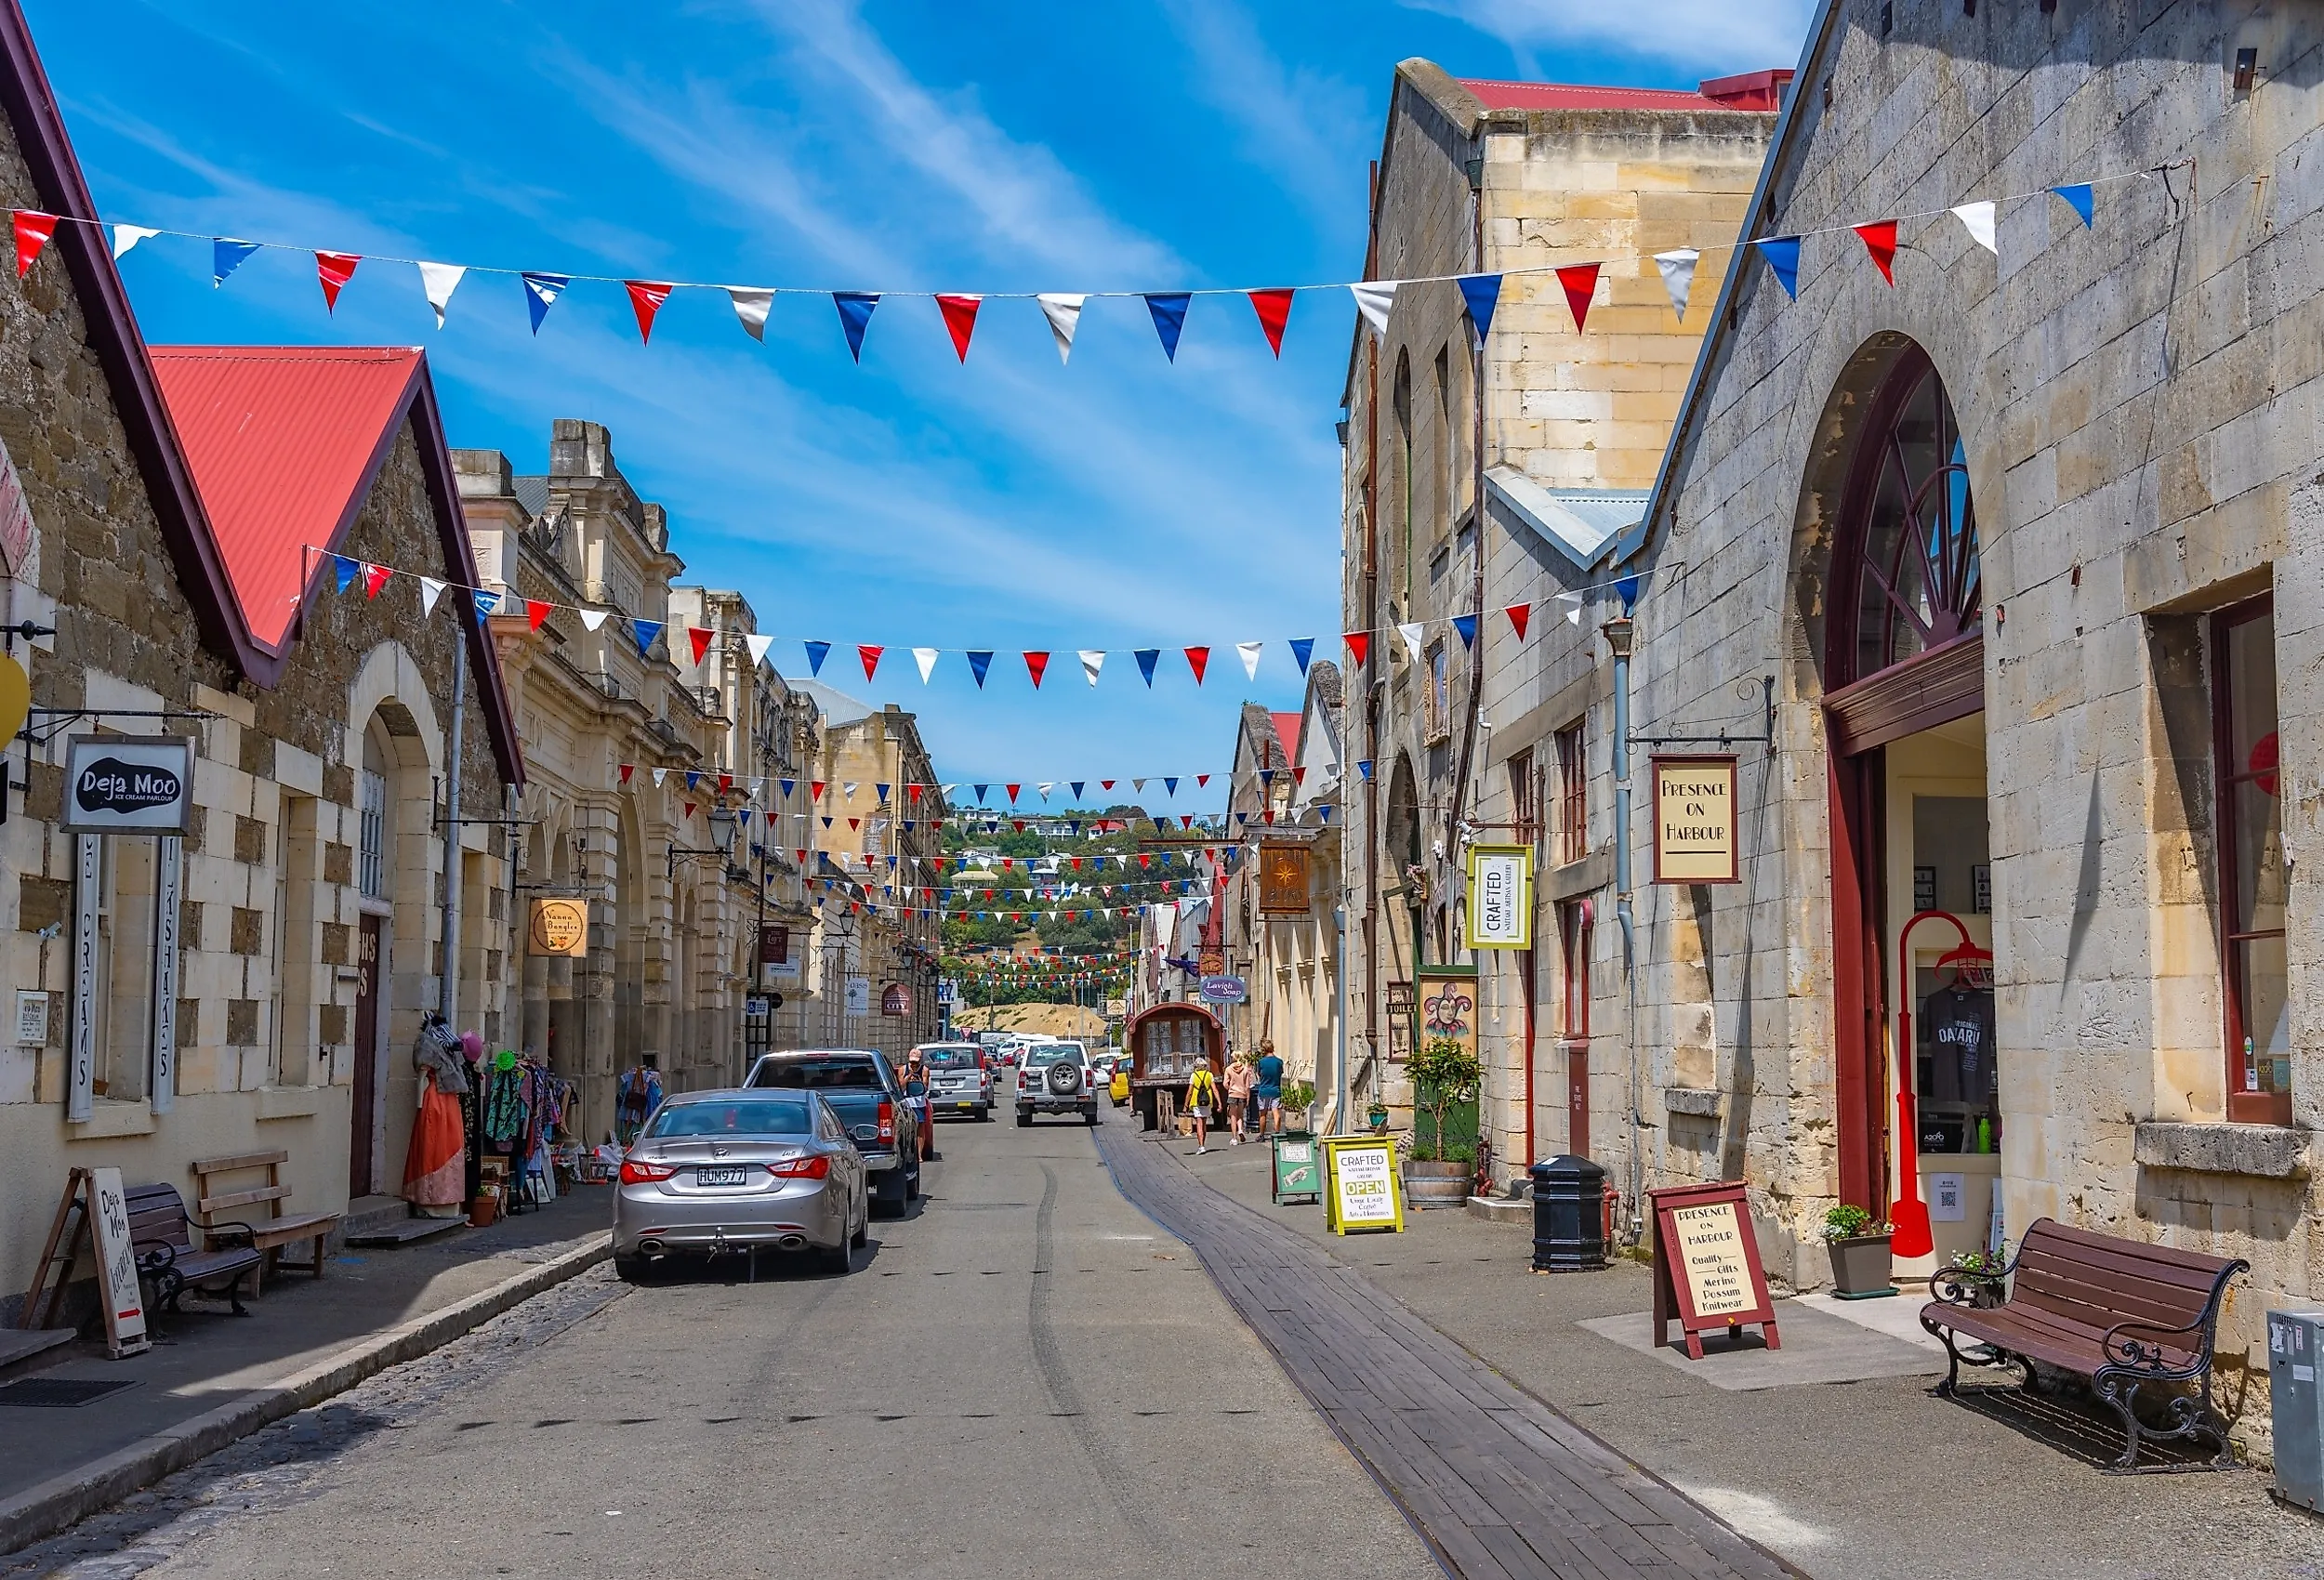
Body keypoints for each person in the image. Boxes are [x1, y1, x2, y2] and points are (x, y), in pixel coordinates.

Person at [1184, 1059, 1221, 1154]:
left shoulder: (1193, 1076)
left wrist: (1186, 1105)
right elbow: (1214, 1090)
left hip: (1196, 1102)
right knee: (1204, 1125)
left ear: (1196, 1066)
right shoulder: (1209, 1075)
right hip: (1207, 1101)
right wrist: (1219, 1103)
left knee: (1199, 1124)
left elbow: (1189, 1092)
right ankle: (1203, 1144)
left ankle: (1201, 1146)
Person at [1223, 1052, 1258, 1145]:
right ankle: (1240, 1130)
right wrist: (1248, 1097)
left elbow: (1225, 1084)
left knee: (1233, 1116)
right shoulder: (1245, 1069)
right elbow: (1247, 1085)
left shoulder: (1229, 1069)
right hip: (1242, 1094)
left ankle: (1234, 1138)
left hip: (1233, 1094)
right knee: (1240, 1115)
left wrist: (1230, 1088)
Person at [1253, 1040, 1286, 1137]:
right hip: (1275, 1090)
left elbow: (1259, 1074)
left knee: (1263, 1114)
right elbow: (1280, 1073)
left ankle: (1262, 1135)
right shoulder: (1279, 1062)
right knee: (1276, 1112)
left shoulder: (1261, 1062)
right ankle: (1277, 1132)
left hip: (1264, 1090)